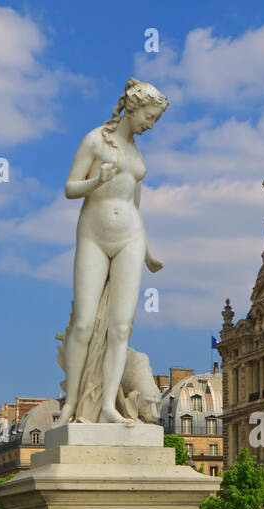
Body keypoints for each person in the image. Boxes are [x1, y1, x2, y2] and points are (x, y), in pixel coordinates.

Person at [57, 78, 168, 424]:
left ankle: (107, 407)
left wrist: (148, 249)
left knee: (121, 328)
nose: (151, 125)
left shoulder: (136, 154)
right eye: (150, 117)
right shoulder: (95, 140)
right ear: (134, 109)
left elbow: (135, 203)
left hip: (130, 238)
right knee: (84, 324)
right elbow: (69, 188)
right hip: (93, 235)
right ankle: (72, 406)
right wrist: (97, 181)